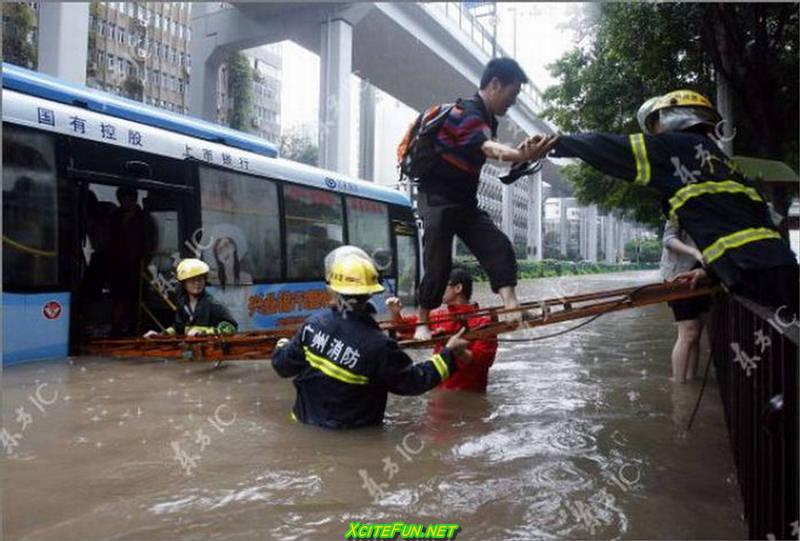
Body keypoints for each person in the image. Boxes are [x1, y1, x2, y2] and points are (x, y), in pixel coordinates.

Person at [532, 89, 799, 316]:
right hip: (779, 267)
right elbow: (735, 223)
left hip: (749, 273)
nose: (655, 133)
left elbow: (614, 147)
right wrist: (712, 272)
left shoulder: (677, 147)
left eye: (656, 123)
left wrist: (558, 143)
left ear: (674, 117)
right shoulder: (722, 162)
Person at [414, 57, 558, 340]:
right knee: (438, 263)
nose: (513, 101)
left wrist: (521, 153)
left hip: (465, 202)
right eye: (512, 93)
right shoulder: (467, 111)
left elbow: (486, 147)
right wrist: (520, 154)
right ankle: (421, 322)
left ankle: (511, 305)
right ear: (494, 84)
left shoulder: (486, 118)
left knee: (497, 245)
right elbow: (486, 148)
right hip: (438, 200)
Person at [271, 247, 470, 429]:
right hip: (351, 440)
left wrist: (281, 345)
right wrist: (448, 354)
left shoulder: (313, 325)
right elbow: (413, 382)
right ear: (370, 293)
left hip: (304, 429)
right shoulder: (379, 346)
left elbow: (283, 366)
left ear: (332, 289)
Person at [387, 267, 498, 393]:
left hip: (467, 393)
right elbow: (405, 328)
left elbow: (482, 363)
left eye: (442, 285)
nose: (438, 290)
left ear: (458, 288)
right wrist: (395, 313)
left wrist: (455, 350)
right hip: (440, 392)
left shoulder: (484, 322)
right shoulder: (439, 315)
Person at [659, 219, 710, 382]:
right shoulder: (679, 204)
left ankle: (691, 380)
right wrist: (694, 252)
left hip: (705, 275)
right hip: (679, 275)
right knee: (688, 331)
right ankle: (679, 385)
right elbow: (668, 239)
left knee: (696, 333)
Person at [143, 258, 237, 338]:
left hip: (210, 352)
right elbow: (178, 327)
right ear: (184, 283)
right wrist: (161, 335)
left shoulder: (212, 304)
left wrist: (205, 331)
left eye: (200, 279)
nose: (197, 283)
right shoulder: (183, 303)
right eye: (192, 280)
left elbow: (231, 327)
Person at [108, 186, 157, 336]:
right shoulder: (115, 216)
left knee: (137, 300)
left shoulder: (145, 218)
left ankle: (136, 329)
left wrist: (145, 260)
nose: (126, 203)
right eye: (123, 199)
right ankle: (117, 328)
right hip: (117, 266)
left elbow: (152, 244)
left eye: (129, 199)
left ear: (135, 199)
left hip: (138, 266)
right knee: (119, 299)